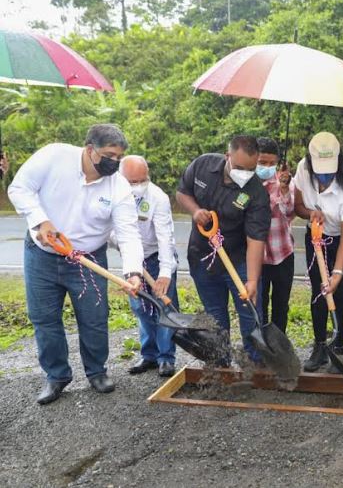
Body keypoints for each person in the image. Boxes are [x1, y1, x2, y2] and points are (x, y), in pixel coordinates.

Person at [8, 124, 143, 404]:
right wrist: (40, 220)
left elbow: (128, 231)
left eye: (119, 157)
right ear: (90, 149)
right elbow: (19, 188)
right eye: (109, 155)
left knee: (94, 319)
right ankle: (56, 376)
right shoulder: (53, 156)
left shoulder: (118, 186)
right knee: (44, 318)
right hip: (42, 254)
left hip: (88, 259)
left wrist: (133, 272)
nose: (113, 162)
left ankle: (97, 372)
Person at [176, 135, 270, 364]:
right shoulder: (203, 165)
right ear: (227, 156)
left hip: (237, 259)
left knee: (250, 312)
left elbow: (256, 240)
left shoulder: (256, 192)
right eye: (239, 167)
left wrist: (253, 281)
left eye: (251, 168)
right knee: (215, 313)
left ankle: (253, 361)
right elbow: (182, 193)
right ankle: (221, 361)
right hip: (202, 258)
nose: (245, 173)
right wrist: (195, 211)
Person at [294, 132, 343, 372]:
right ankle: (319, 346)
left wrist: (337, 272)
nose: (324, 176)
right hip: (317, 234)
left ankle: (338, 348)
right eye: (320, 170)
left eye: (329, 170)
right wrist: (310, 213)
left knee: (340, 290)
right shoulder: (303, 169)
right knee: (319, 291)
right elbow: (298, 207)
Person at [116, 156, 179, 378]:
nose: (138, 185)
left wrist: (164, 274)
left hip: (156, 257)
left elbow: (165, 239)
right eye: (133, 181)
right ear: (120, 177)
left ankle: (166, 358)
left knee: (164, 308)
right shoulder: (113, 193)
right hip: (133, 261)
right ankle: (149, 355)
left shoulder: (157, 197)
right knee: (141, 309)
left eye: (143, 180)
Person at [256, 137, 295, 334]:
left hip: (282, 254)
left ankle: (279, 343)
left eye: (272, 163)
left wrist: (285, 190)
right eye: (262, 162)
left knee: (281, 304)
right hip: (257, 258)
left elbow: (289, 212)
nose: (267, 167)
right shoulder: (247, 184)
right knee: (258, 303)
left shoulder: (283, 182)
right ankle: (261, 345)